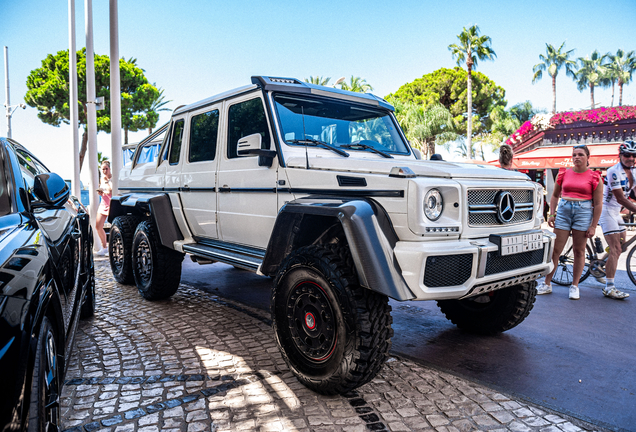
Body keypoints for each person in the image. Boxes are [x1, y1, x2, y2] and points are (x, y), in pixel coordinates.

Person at [537, 145, 603, 299]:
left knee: (579, 251)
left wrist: (593, 225)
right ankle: (547, 283)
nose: (576, 157)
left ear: (587, 158)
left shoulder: (594, 177)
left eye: (580, 154)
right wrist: (551, 213)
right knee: (555, 250)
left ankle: (574, 286)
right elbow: (554, 196)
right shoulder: (564, 173)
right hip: (564, 211)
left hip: (583, 212)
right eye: (574, 155)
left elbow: (598, 204)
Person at [597, 140, 636, 300]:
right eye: (627, 155)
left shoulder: (634, 171)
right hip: (606, 210)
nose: (631, 158)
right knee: (616, 249)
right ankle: (609, 287)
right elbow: (621, 198)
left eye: (634, 155)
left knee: (622, 246)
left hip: (616, 212)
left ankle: (600, 264)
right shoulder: (614, 171)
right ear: (620, 155)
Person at [95, 160, 112, 256]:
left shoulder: (112, 178)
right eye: (103, 169)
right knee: (98, 226)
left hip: (111, 204)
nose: (105, 171)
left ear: (109, 169)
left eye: (106, 169)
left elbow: (111, 190)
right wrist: (100, 191)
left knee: (113, 226)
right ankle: (104, 246)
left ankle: (112, 247)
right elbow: (104, 190)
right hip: (103, 204)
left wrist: (107, 182)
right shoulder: (102, 179)